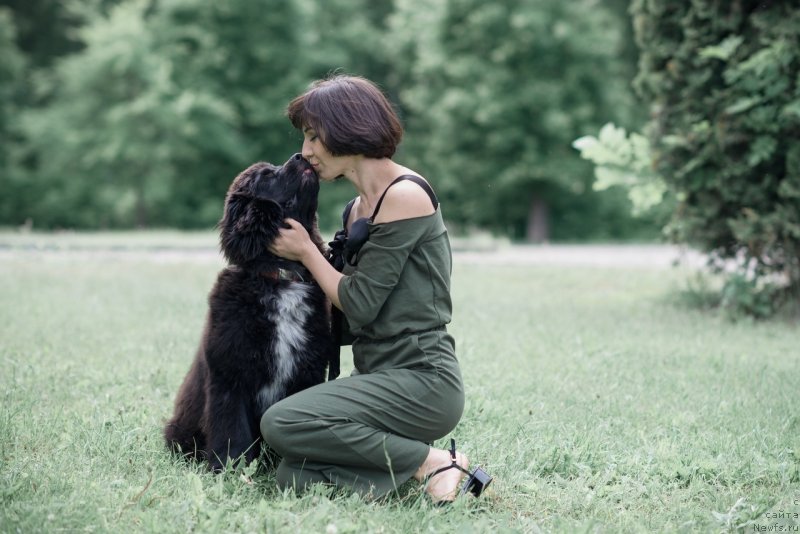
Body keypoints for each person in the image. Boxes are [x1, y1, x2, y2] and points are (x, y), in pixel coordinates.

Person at [260, 74, 489, 503]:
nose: (305, 150)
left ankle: (434, 463)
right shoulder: (355, 211)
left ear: (348, 129)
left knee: (281, 424)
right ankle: (417, 478)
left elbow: (359, 304)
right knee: (294, 475)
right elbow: (343, 319)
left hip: (423, 380)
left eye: (313, 136)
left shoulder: (405, 195)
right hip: (378, 375)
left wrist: (307, 252)